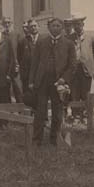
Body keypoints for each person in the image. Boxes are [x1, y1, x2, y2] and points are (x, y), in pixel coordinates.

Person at [29, 17, 76, 145]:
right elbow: (34, 63)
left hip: (58, 83)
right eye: (53, 26)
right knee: (40, 111)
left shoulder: (69, 44)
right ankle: (36, 139)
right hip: (42, 81)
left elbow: (72, 66)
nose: (55, 28)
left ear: (62, 28)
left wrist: (63, 79)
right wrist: (31, 81)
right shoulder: (41, 42)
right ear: (49, 27)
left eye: (58, 26)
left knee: (57, 111)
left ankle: (54, 138)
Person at [68, 14, 94, 123]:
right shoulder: (69, 38)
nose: (77, 27)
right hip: (74, 70)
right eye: (75, 25)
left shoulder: (90, 38)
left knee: (86, 94)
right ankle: (75, 116)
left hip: (86, 70)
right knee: (74, 93)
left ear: (83, 25)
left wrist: (92, 68)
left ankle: (85, 116)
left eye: (79, 24)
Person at [19, 19, 40, 108]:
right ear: (28, 28)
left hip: (40, 74)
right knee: (28, 96)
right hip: (27, 74)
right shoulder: (23, 41)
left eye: (35, 26)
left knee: (41, 96)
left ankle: (42, 117)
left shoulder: (44, 39)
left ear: (38, 27)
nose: (33, 28)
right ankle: (28, 117)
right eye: (31, 26)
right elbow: (19, 57)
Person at [3, 16, 24, 104]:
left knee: (18, 89)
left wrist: (18, 64)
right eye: (5, 23)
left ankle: (21, 112)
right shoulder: (1, 35)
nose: (7, 24)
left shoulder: (17, 35)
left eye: (9, 22)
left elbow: (21, 52)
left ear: (11, 23)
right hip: (4, 67)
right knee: (5, 90)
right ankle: (8, 113)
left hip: (15, 66)